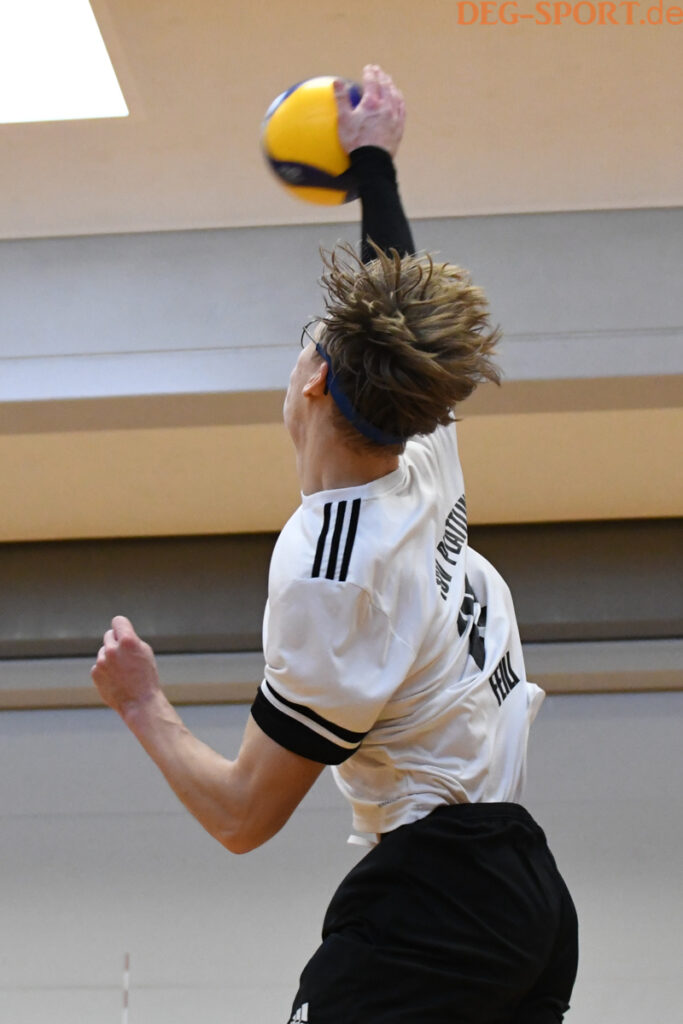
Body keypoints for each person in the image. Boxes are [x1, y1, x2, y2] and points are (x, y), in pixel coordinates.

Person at [92, 65, 578, 1024]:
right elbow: (392, 313)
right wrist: (373, 168)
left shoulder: (331, 570)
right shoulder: (420, 449)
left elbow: (243, 814)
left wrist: (141, 704)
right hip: (525, 893)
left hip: (436, 903)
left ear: (314, 380)